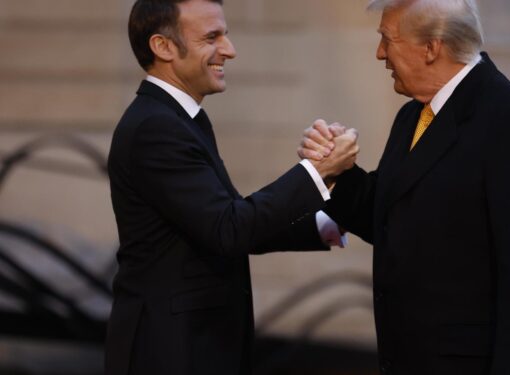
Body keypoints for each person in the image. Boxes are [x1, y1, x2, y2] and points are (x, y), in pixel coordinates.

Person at [299, 0, 510, 374]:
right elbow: (392, 214)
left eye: (386, 39)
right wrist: (337, 171)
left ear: (431, 47)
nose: (380, 54)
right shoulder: (413, 114)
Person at [105, 0, 358, 374]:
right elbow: (229, 229)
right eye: (212, 37)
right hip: (171, 352)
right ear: (164, 47)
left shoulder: (178, 119)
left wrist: (326, 223)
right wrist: (315, 171)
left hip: (193, 347)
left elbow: (223, 222)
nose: (230, 49)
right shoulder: (157, 128)